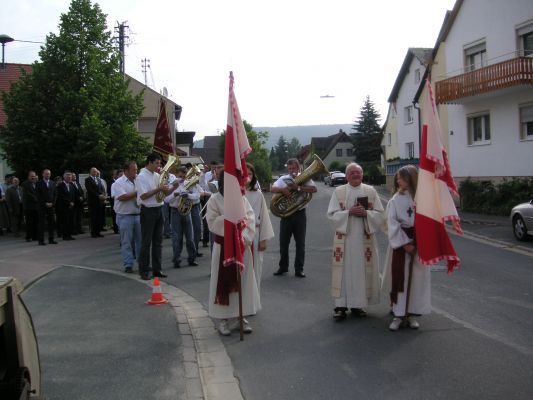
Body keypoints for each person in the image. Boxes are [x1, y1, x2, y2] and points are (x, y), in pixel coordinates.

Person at [326, 162, 384, 320]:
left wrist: (367, 214)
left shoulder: (370, 191)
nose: (355, 175)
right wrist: (348, 212)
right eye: (352, 172)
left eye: (358, 172)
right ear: (346, 176)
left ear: (362, 174)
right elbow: (331, 215)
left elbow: (380, 214)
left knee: (361, 273)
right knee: (343, 272)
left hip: (364, 240)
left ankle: (358, 305)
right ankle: (340, 306)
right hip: (344, 241)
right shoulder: (338, 191)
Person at [206, 170, 260, 336]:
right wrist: (229, 218)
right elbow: (212, 222)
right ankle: (223, 320)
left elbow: (250, 218)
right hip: (223, 247)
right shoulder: (214, 199)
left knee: (242, 282)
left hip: (241, 245)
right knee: (222, 283)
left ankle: (239, 317)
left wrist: (242, 236)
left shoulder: (242, 199)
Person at [382, 165, 431, 331]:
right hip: (401, 245)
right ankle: (398, 314)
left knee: (417, 279)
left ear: (410, 179)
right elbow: (392, 223)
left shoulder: (421, 198)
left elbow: (427, 221)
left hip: (418, 243)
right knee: (400, 278)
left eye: (401, 178)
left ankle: (411, 314)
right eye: (397, 178)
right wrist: (405, 244)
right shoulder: (395, 200)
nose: (398, 181)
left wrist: (419, 241)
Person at [271, 158, 317, 278]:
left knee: (300, 244)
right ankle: (283, 267)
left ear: (298, 168)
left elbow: (314, 189)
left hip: (300, 214)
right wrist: (282, 190)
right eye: (290, 168)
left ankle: (299, 269)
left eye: (294, 168)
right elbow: (272, 189)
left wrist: (298, 188)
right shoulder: (283, 179)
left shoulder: (305, 177)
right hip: (286, 215)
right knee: (283, 243)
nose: (292, 170)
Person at [135, 153, 175, 280]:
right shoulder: (141, 176)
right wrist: (159, 189)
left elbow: (165, 193)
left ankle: (157, 270)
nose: (159, 166)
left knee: (158, 242)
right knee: (146, 242)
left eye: (160, 163)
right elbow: (143, 196)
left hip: (159, 209)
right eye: (157, 163)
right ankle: (144, 271)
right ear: (150, 162)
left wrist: (176, 185)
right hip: (148, 211)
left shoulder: (157, 175)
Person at [244, 164, 274, 294]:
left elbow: (264, 218)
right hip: (239, 234)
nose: (247, 177)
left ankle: (254, 299)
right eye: (245, 174)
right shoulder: (234, 194)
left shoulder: (258, 194)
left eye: (250, 174)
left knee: (256, 267)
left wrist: (263, 239)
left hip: (255, 234)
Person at [111, 161, 142, 274]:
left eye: (136, 169)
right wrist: (138, 192)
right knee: (126, 242)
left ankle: (141, 263)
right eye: (134, 170)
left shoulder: (139, 179)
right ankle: (128, 264)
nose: (136, 172)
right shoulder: (118, 183)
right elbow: (122, 197)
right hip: (125, 216)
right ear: (126, 171)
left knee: (141, 241)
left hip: (138, 214)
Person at [164, 166, 197, 268]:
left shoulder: (189, 183)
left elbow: (197, 195)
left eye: (184, 175)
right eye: (180, 175)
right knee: (176, 237)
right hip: (175, 212)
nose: (182, 177)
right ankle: (176, 260)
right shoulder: (172, 184)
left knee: (190, 237)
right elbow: (166, 200)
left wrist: (188, 196)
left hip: (187, 211)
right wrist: (175, 194)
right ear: (177, 174)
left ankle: (192, 259)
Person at [36, 168, 58, 245]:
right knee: (41, 224)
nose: (47, 175)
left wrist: (52, 203)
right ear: (43, 174)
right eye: (46, 174)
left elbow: (55, 194)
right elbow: (38, 195)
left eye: (49, 174)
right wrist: (45, 203)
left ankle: (51, 239)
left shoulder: (52, 183)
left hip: (51, 206)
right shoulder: (39, 183)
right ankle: (41, 240)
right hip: (42, 206)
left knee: (51, 223)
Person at [85, 167, 106, 238]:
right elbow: (90, 190)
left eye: (96, 171)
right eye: (94, 171)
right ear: (90, 172)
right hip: (93, 202)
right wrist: (98, 196)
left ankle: (98, 232)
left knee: (99, 217)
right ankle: (93, 232)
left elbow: (101, 189)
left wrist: (103, 195)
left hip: (100, 202)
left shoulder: (98, 179)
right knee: (94, 217)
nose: (95, 173)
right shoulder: (88, 180)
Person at [55, 171, 76, 241]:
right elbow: (61, 196)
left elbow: (73, 195)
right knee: (65, 222)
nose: (69, 177)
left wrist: (72, 202)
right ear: (64, 177)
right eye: (67, 176)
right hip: (64, 207)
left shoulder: (72, 185)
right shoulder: (60, 185)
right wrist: (69, 202)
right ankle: (65, 236)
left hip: (71, 206)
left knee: (70, 221)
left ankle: (69, 235)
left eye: (70, 176)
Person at [21, 171, 40, 243]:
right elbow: (29, 194)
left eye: (34, 176)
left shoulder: (37, 183)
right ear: (28, 177)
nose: (33, 177)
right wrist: (38, 199)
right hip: (29, 207)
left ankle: (35, 236)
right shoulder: (25, 184)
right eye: (31, 176)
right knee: (29, 223)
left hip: (36, 207)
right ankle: (28, 237)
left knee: (36, 222)